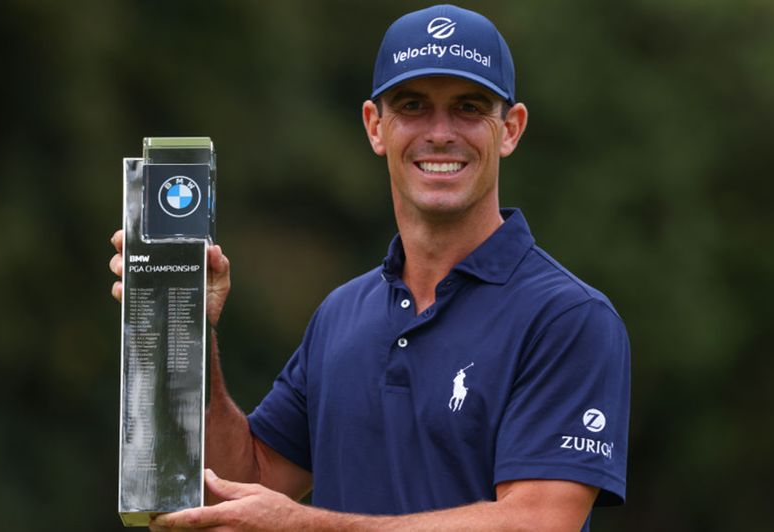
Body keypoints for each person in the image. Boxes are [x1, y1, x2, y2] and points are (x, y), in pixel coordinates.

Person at [110, 5, 630, 531]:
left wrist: (302, 526)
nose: (440, 133)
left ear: (510, 129)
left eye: (469, 107)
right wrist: (186, 329)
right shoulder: (341, 314)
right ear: (375, 127)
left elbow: (538, 522)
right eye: (413, 106)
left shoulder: (568, 318)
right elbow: (236, 485)